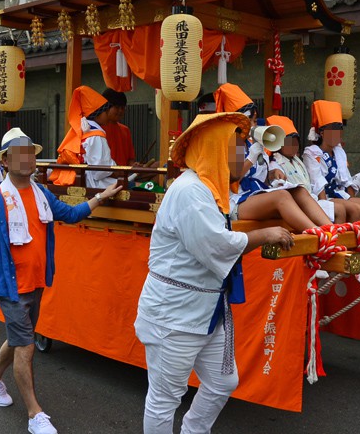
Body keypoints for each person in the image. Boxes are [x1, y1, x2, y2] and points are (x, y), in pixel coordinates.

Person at [135, 112, 294, 434]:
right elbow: (215, 245)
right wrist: (264, 235)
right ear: (216, 150)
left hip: (206, 309)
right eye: (237, 148)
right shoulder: (189, 190)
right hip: (174, 314)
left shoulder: (212, 191)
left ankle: (195, 430)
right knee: (166, 397)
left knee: (224, 381)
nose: (244, 155)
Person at [0, 127, 122, 434]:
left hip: (36, 281)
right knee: (26, 346)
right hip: (9, 285)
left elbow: (71, 214)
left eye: (30, 152)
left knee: (18, 336)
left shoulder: (42, 194)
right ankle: (35, 415)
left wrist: (101, 197)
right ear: (6, 162)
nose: (27, 158)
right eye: (19, 154)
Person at [215, 83, 330, 231]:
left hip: (254, 195)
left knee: (299, 191)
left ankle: (332, 230)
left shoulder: (250, 144)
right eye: (251, 120)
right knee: (281, 197)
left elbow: (258, 177)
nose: (253, 125)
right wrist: (251, 157)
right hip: (235, 201)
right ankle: (320, 236)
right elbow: (232, 177)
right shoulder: (230, 143)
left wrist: (272, 174)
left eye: (254, 121)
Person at [302, 100, 360, 221]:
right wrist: (325, 205)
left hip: (340, 193)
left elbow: (347, 180)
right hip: (324, 196)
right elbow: (317, 181)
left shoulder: (339, 151)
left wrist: (351, 199)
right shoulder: (312, 153)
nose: (337, 133)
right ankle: (344, 239)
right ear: (322, 133)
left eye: (339, 128)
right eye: (333, 129)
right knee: (356, 209)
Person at [265, 115, 344, 223]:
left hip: (311, 199)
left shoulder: (297, 160)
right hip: (296, 205)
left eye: (295, 142)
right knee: (339, 210)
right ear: (278, 145)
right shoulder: (274, 164)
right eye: (288, 143)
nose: (293, 146)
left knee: (343, 209)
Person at [52, 86, 119, 188]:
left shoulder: (79, 130)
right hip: (95, 185)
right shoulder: (96, 135)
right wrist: (116, 168)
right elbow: (100, 171)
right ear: (97, 114)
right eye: (105, 111)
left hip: (78, 181)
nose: (108, 115)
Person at [101, 88, 137, 166]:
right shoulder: (96, 130)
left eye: (123, 108)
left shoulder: (125, 130)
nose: (120, 111)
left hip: (124, 176)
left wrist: (134, 165)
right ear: (105, 107)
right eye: (117, 107)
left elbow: (130, 159)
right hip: (104, 176)